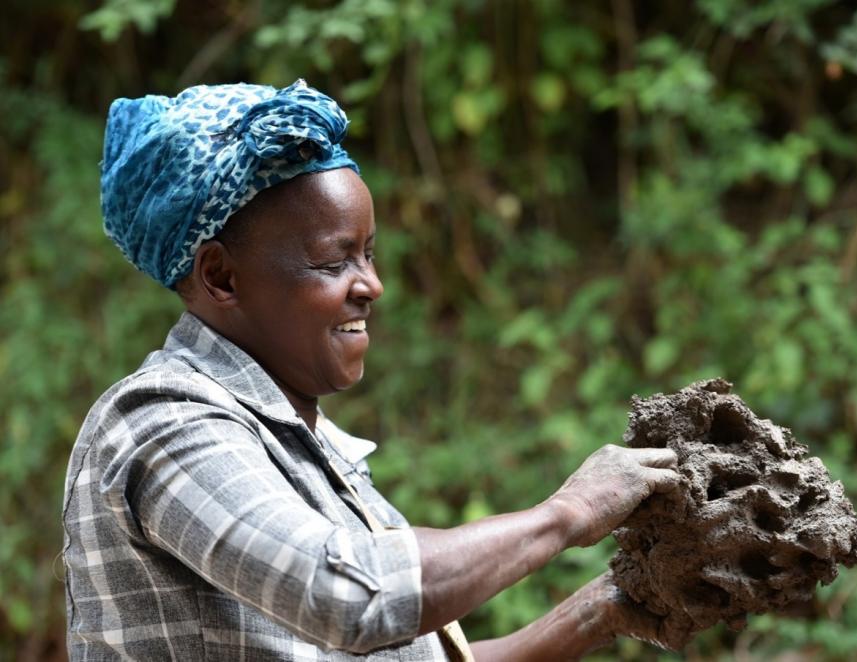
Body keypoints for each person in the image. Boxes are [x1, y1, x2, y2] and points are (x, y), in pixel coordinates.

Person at [62, 80, 680, 661]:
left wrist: (603, 609)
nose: (373, 286)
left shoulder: (295, 445)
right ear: (221, 276)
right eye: (335, 261)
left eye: (369, 253)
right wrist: (569, 512)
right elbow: (351, 597)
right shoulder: (163, 424)